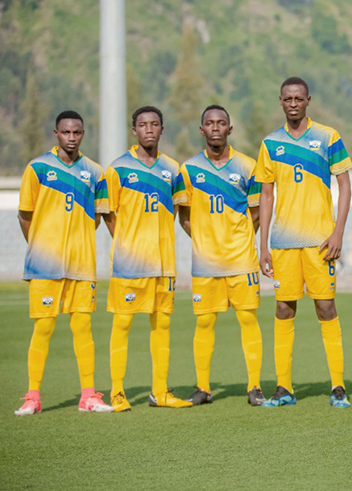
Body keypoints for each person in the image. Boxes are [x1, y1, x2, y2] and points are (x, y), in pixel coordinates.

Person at [256, 77, 352, 408]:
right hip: (283, 242)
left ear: (308, 100)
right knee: (284, 308)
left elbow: (345, 185)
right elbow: (266, 194)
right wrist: (263, 245)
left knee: (326, 307)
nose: (293, 103)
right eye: (288, 99)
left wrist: (338, 231)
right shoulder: (271, 143)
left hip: (320, 241)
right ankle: (283, 387)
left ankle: (338, 386)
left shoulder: (328, 136)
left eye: (299, 98)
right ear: (281, 101)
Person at [14, 111, 114, 416]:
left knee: (83, 328)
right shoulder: (38, 167)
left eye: (77, 132)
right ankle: (33, 397)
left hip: (81, 265)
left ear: (83, 134)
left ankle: (88, 396)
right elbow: (25, 215)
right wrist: (42, 246)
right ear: (56, 134)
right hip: (45, 265)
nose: (72, 138)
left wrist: (76, 242)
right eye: (66, 132)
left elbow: (96, 217)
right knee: (43, 327)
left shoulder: (96, 172)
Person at [177, 105, 266, 406]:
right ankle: (203, 388)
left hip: (242, 260)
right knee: (204, 323)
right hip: (206, 264)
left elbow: (256, 213)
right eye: (210, 123)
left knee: (248, 319)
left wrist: (237, 240)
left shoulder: (248, 166)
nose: (215, 128)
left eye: (221, 123)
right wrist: (206, 241)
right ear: (201, 130)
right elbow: (184, 216)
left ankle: (254, 387)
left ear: (230, 129)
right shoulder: (188, 170)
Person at [105, 106, 191, 410]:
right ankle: (117, 392)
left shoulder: (173, 169)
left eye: (155, 124)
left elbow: (178, 211)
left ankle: (160, 392)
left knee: (162, 325)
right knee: (123, 323)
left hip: (164, 262)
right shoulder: (117, 168)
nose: (149, 129)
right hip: (129, 263)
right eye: (143, 125)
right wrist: (128, 243)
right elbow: (109, 214)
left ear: (162, 129)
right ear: (134, 131)